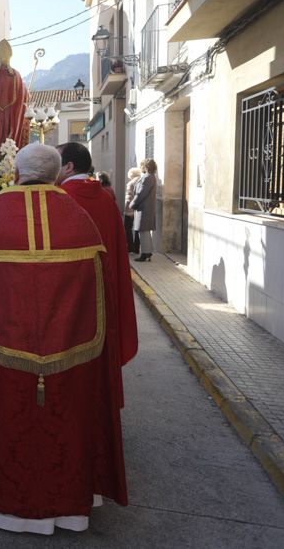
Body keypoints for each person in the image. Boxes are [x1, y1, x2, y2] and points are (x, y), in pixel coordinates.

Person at [0, 143, 127, 535]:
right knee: (65, 422)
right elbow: (103, 293)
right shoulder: (80, 220)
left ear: (16, 174)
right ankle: (70, 508)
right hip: (73, 359)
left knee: (7, 416)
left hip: (1, 362)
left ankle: (1, 501)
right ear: (57, 175)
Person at [57, 142, 139, 408]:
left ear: (68, 166)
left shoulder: (59, 199)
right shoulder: (105, 197)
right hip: (105, 291)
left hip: (73, 296)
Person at [131, 158, 159, 262]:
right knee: (145, 231)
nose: (140, 167)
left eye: (142, 165)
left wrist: (133, 204)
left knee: (143, 232)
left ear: (146, 166)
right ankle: (148, 252)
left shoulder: (148, 177)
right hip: (145, 208)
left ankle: (145, 253)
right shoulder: (149, 177)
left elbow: (141, 193)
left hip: (143, 208)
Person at [124, 168, 142, 254]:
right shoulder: (141, 181)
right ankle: (137, 248)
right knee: (137, 229)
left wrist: (128, 209)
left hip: (130, 209)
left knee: (127, 228)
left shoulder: (131, 183)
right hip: (139, 209)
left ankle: (130, 247)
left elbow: (129, 198)